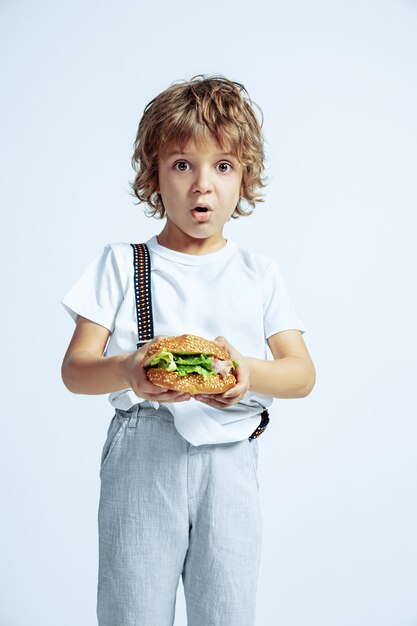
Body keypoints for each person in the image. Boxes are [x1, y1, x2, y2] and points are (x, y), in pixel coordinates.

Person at [60, 74, 316, 626]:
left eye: (222, 166)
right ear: (153, 175)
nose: (203, 185)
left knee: (225, 611)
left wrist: (246, 372)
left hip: (230, 460)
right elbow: (76, 371)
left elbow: (301, 374)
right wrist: (130, 368)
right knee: (133, 609)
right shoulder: (122, 263)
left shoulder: (258, 274)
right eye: (182, 165)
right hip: (144, 450)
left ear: (244, 176)